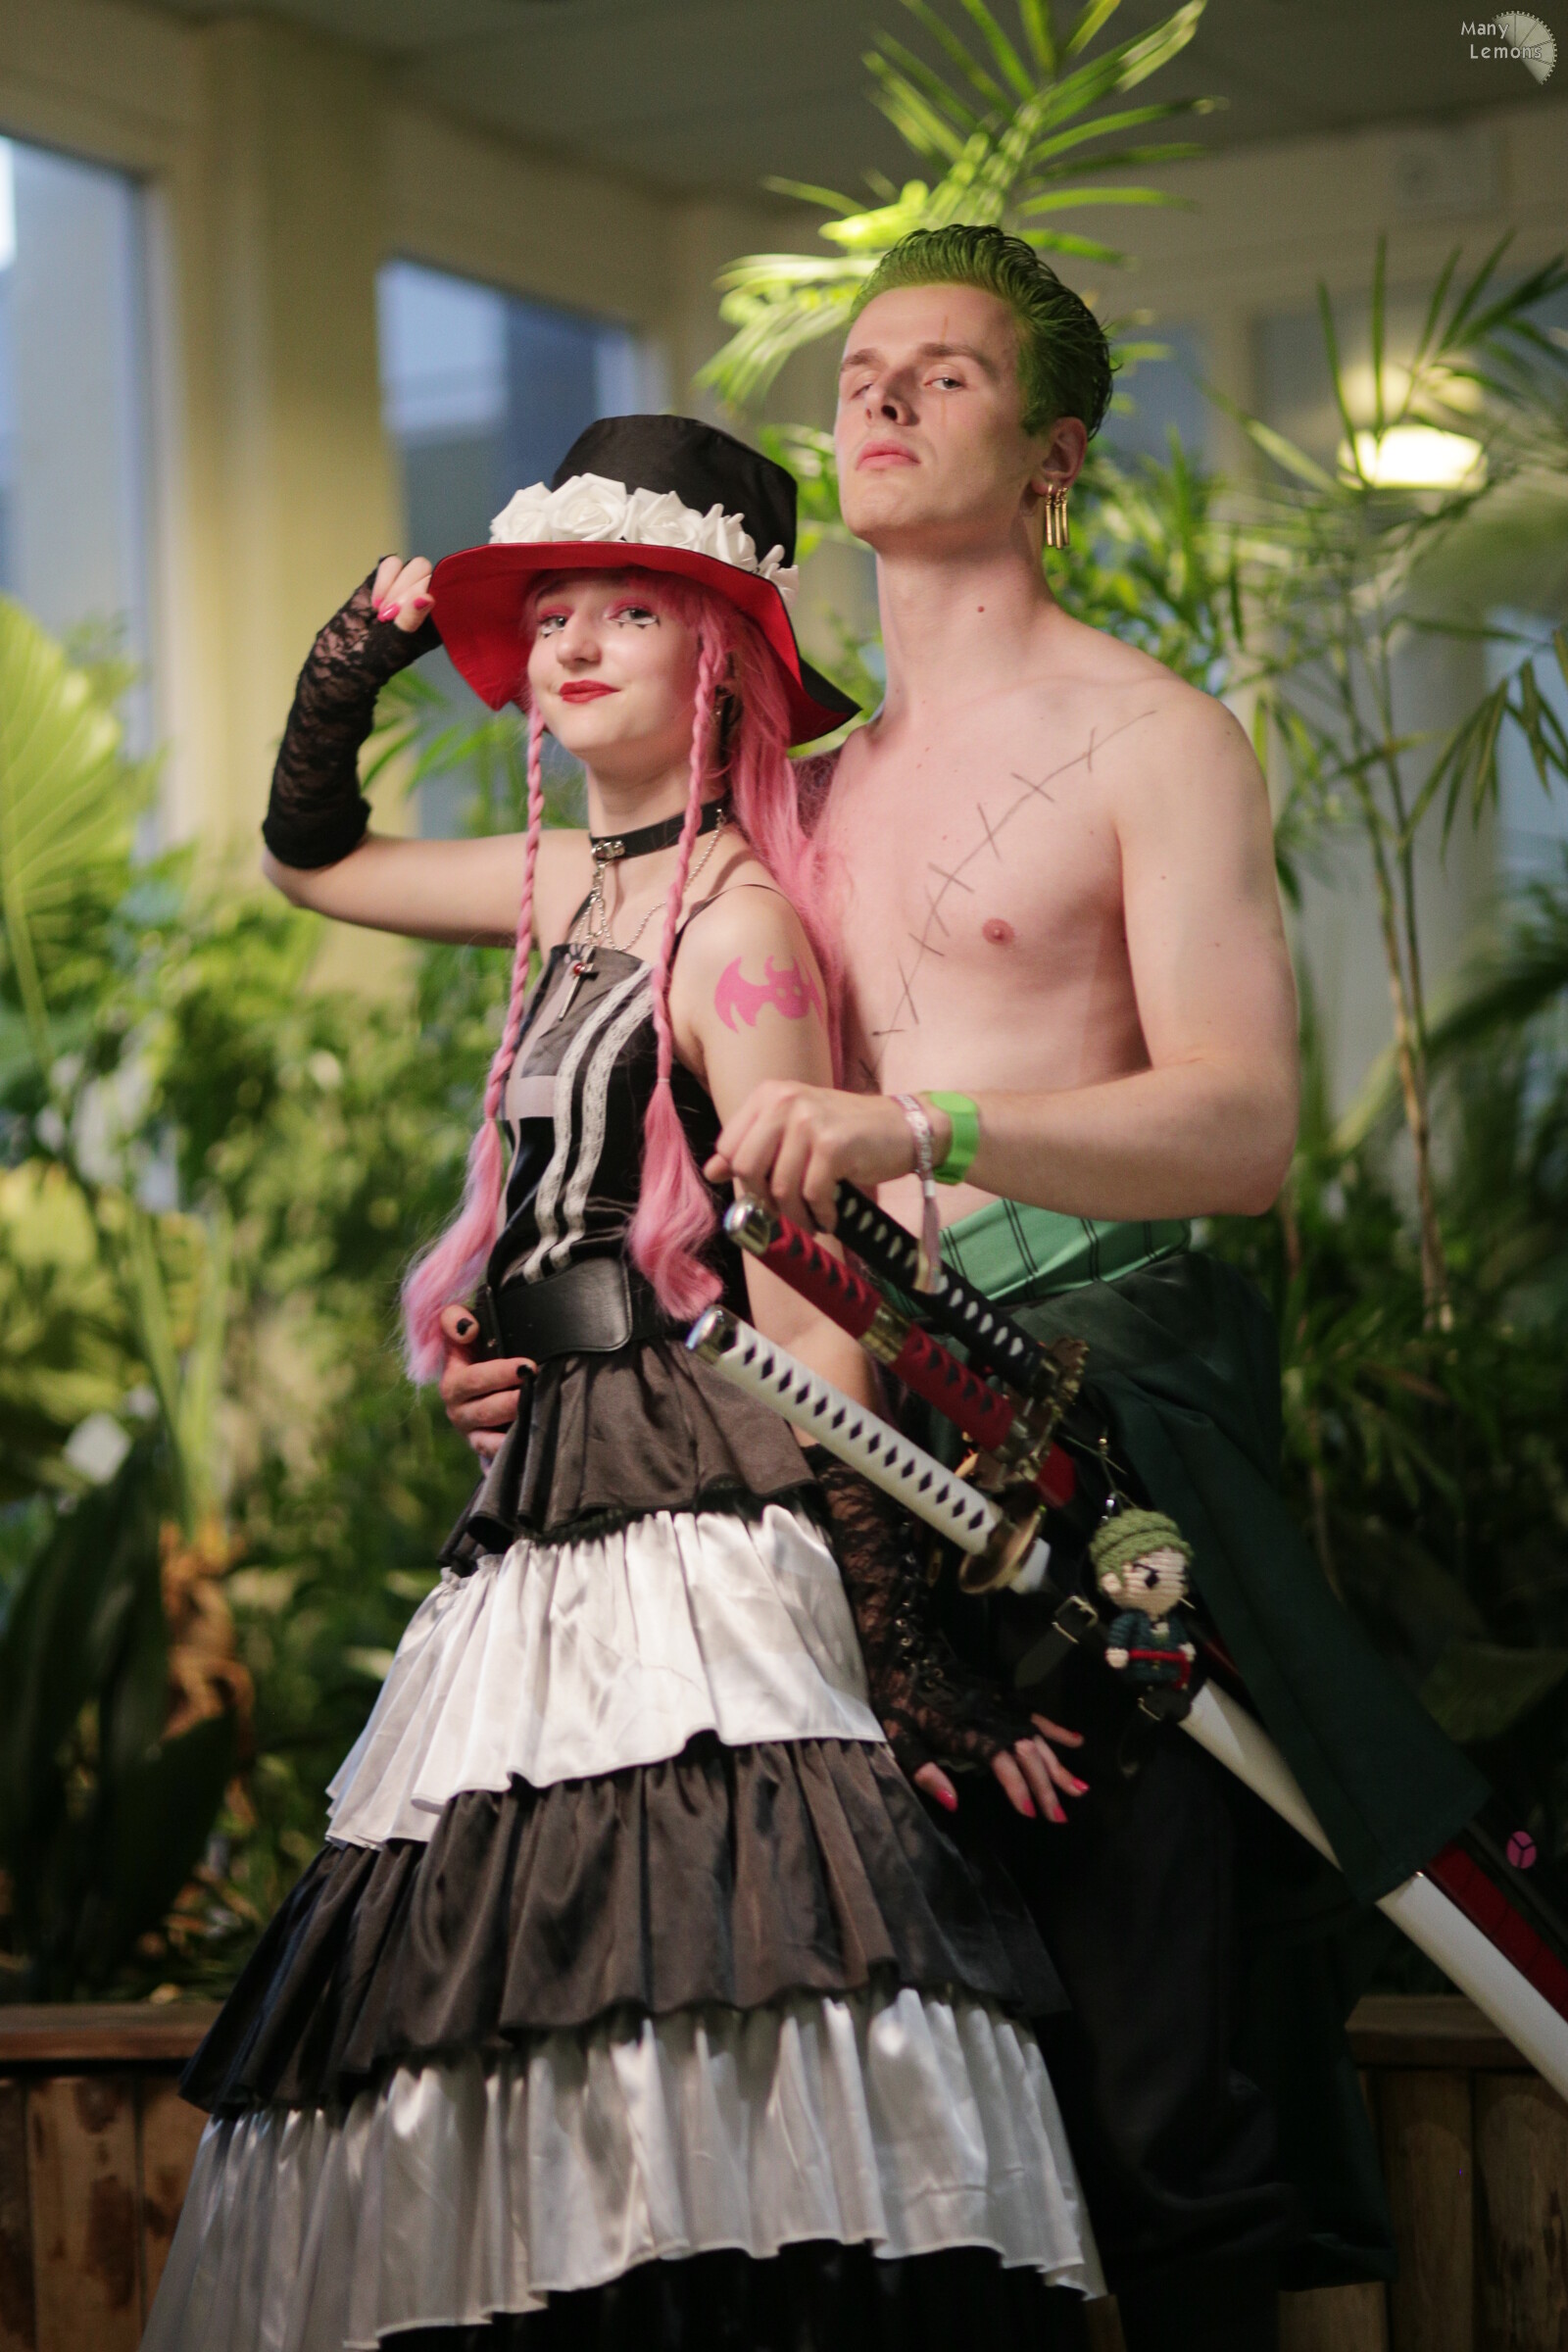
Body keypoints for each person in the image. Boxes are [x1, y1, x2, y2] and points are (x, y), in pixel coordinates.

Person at [442, 240, 1493, 2352]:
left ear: (1053, 454)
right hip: (815, 1457)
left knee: (1149, 2060)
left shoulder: (1152, 738)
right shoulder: (787, 791)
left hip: (1085, 1426)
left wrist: (924, 1122)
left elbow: (1240, 1128)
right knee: (894, 2070)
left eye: (946, 373)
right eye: (863, 370)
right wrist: (561, 1364)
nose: (883, 399)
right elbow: (680, 1149)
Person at [142, 414, 1104, 2352]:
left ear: (722, 657)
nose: (573, 643)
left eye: (630, 612)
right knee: (498, 1968)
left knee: (699, 1945)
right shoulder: (560, 882)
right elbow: (309, 863)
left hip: (701, 1494)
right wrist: (355, 656)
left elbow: (817, 1303)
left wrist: (902, 1644)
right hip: (548, 1495)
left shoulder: (738, 928)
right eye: (553, 611)